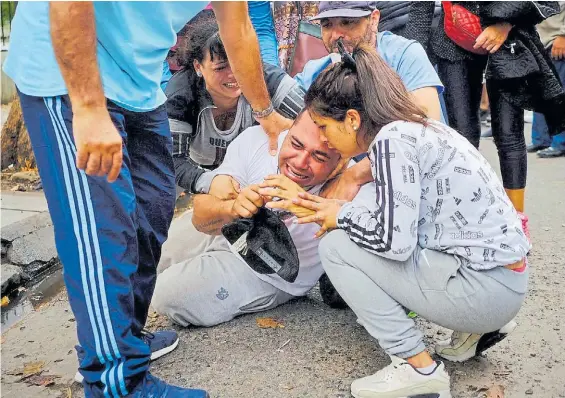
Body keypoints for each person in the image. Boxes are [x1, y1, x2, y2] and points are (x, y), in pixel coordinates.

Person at [3, 1, 293, 396]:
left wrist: (265, 111)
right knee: (102, 228)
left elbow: (237, 26)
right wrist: (88, 108)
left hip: (137, 82)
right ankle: (114, 380)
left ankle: (124, 337)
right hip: (68, 72)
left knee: (152, 211)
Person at [271, 43, 529, 397]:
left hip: (487, 291)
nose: (325, 139)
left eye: (323, 126)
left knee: (336, 246)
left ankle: (416, 367)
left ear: (351, 119)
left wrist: (339, 214)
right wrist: (332, 210)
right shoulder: (417, 128)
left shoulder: (390, 142)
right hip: (505, 280)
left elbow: (394, 242)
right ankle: (473, 332)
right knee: (349, 231)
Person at [152, 111, 373, 326]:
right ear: (289, 129)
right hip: (226, 233)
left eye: (319, 156)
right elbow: (200, 215)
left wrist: (312, 205)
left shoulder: (356, 190)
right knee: (146, 253)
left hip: (269, 272)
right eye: (296, 144)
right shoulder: (258, 140)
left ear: (341, 161)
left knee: (165, 295)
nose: (300, 162)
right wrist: (233, 208)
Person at [405, 1, 565, 242]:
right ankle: (467, 218)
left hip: (509, 38)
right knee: (461, 137)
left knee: (509, 134)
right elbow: (420, 9)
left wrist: (505, 23)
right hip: (452, 39)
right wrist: (412, 60)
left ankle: (516, 221)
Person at [166, 16, 305, 196]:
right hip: (203, 166)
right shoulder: (180, 95)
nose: (234, 74)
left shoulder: (268, 78)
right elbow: (172, 160)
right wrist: (209, 182)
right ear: (198, 67)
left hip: (260, 164)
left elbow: (314, 117)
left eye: (239, 63)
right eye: (221, 67)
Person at [528, 2, 565, 158]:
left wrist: (563, 35)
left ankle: (560, 142)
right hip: (538, 41)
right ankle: (541, 139)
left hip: (557, 41)